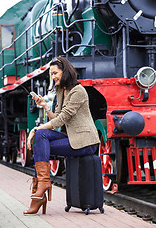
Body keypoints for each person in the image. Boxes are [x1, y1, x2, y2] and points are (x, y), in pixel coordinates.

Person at [23, 56, 100, 215]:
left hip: (85, 142)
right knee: (42, 136)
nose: (53, 77)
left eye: (55, 73)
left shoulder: (78, 91)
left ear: (65, 71)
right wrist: (45, 106)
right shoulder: (60, 90)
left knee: (39, 141)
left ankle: (40, 190)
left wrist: (34, 130)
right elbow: (56, 117)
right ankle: (43, 185)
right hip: (72, 138)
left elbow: (62, 119)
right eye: (51, 74)